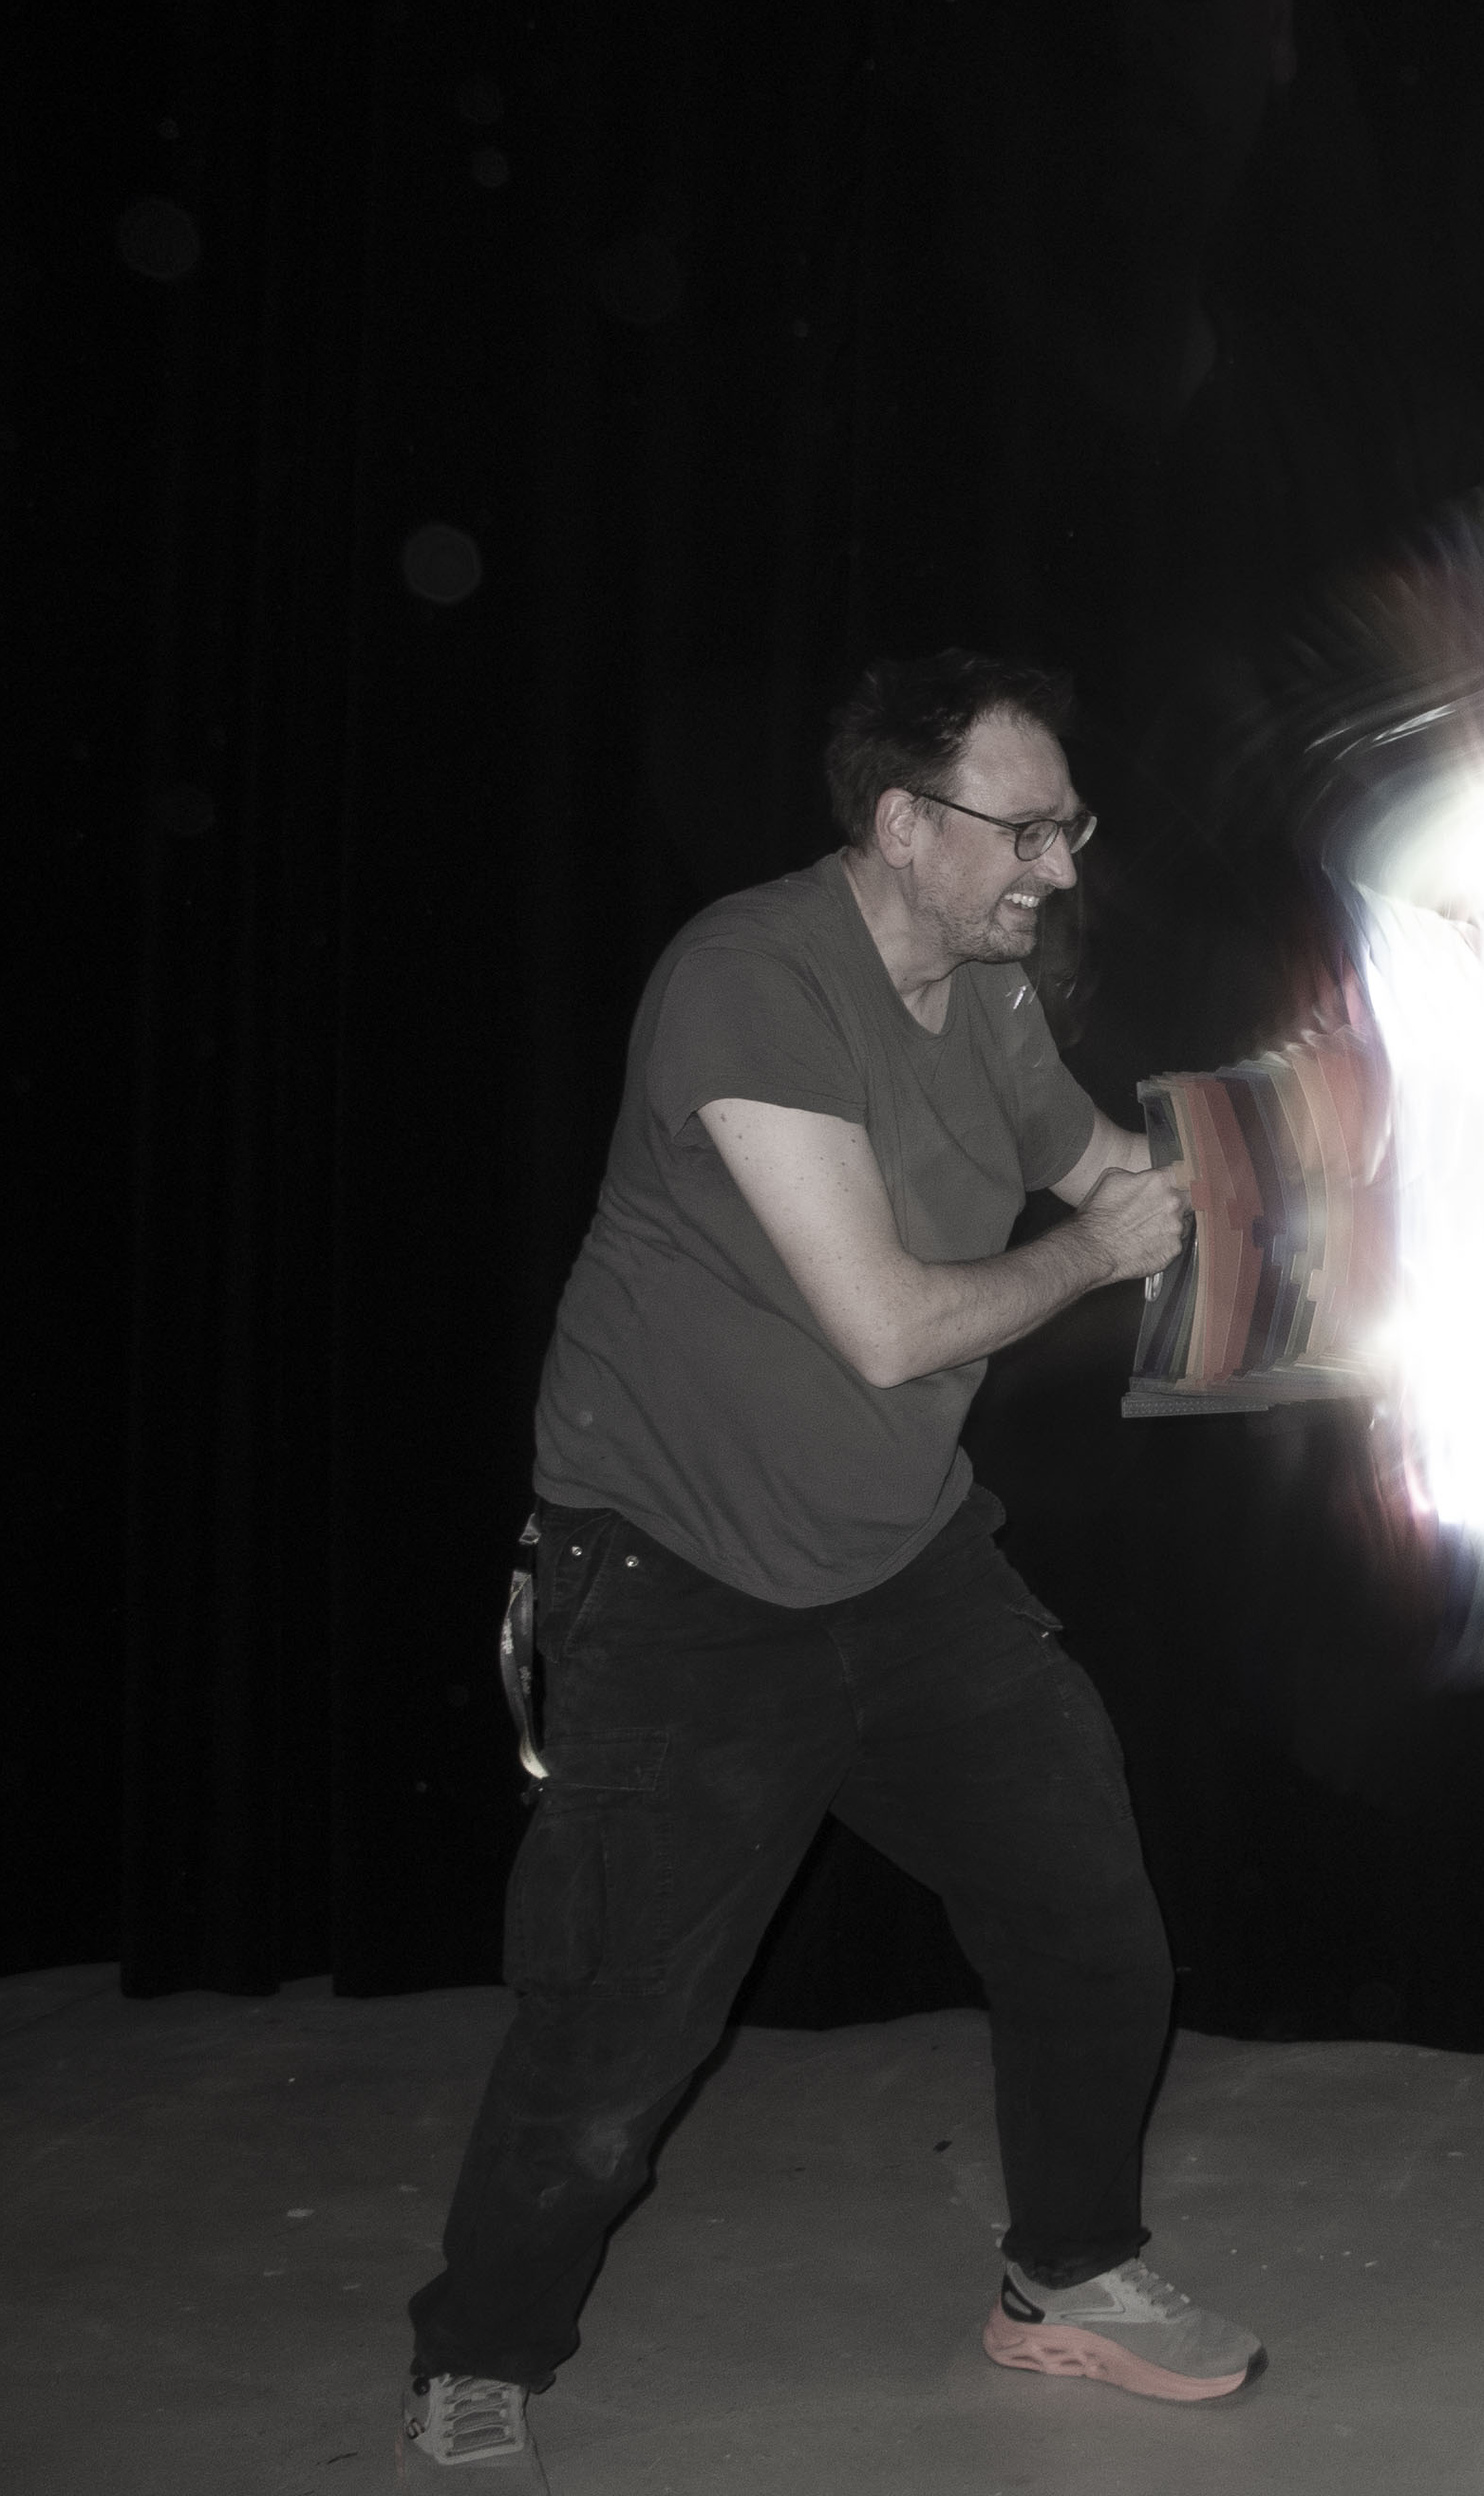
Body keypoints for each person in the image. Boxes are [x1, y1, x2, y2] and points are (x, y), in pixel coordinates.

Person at [403, 651, 1259, 2474]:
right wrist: (1099, 1258)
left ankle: (1067, 2275)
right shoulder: (752, 984)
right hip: (682, 1574)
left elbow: (1127, 1177)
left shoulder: (991, 994)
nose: (1062, 866)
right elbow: (887, 1324)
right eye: (1026, 831)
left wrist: (1305, 1172)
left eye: (1070, 826)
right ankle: (478, 2351)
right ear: (902, 824)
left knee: (1093, 1928)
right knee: (619, 2039)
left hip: (905, 1556)